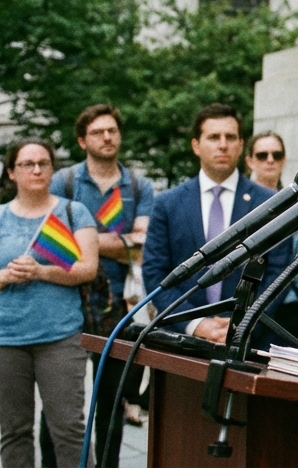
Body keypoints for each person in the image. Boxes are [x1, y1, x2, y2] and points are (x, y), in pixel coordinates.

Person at [43, 105, 155, 466]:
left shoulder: (138, 185)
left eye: (112, 130)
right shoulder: (65, 182)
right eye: (97, 132)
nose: (107, 137)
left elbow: (143, 246)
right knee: (60, 403)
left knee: (112, 399)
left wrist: (85, 240)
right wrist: (121, 241)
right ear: (81, 140)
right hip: (67, 301)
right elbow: (52, 246)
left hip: (121, 306)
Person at [143, 104, 285, 343]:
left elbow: (278, 272)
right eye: (213, 137)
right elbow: (155, 272)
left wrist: (243, 321)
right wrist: (195, 324)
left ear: (241, 145)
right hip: (182, 340)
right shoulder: (168, 204)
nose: (223, 145)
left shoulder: (269, 203)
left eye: (230, 137)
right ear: (196, 145)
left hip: (248, 341)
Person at [0, 139, 99, 468]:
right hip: (6, 340)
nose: (37, 169)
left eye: (43, 162)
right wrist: (6, 276)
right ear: (12, 172)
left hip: (59, 338)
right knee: (13, 432)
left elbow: (87, 268)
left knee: (69, 430)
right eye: (27, 164)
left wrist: (41, 271)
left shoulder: (73, 211)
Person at [246, 132, 298, 342]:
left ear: (284, 159)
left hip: (287, 308)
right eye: (262, 155)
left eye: (276, 155)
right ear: (250, 161)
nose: (270, 160)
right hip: (244, 306)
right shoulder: (239, 204)